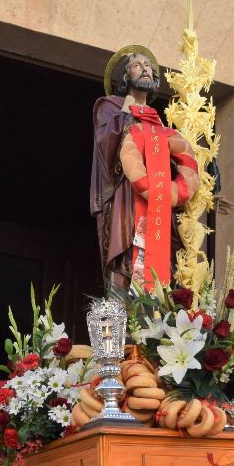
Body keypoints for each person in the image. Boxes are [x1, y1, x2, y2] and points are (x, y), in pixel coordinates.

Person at [90, 46, 198, 290]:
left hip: (156, 200)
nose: (145, 69)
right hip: (125, 195)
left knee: (156, 257)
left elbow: (176, 162)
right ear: (126, 76)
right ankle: (121, 320)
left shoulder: (157, 121)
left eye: (148, 66)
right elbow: (105, 140)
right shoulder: (110, 105)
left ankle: (151, 315)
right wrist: (128, 111)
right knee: (126, 254)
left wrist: (205, 194)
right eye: (137, 66)